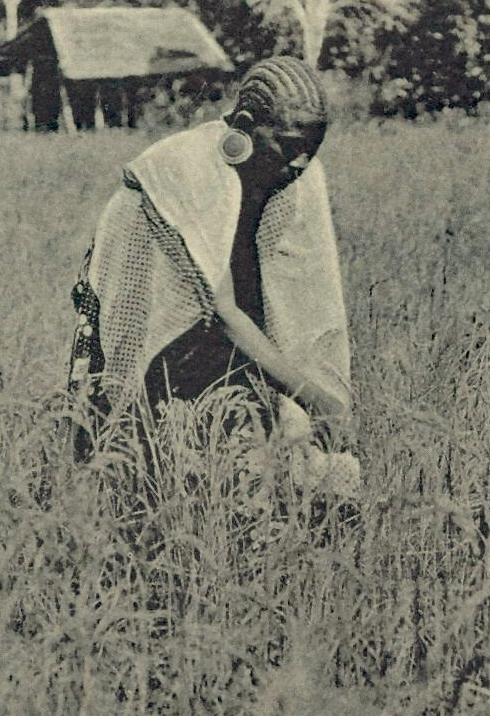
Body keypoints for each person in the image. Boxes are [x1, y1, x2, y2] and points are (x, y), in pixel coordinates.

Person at [67, 56, 353, 462]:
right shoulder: (191, 168)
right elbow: (222, 310)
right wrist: (315, 400)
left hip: (228, 316)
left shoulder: (291, 173)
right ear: (246, 125)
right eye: (290, 145)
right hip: (149, 294)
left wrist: (312, 395)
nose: (302, 162)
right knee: (124, 430)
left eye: (312, 148)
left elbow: (291, 304)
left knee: (236, 429)